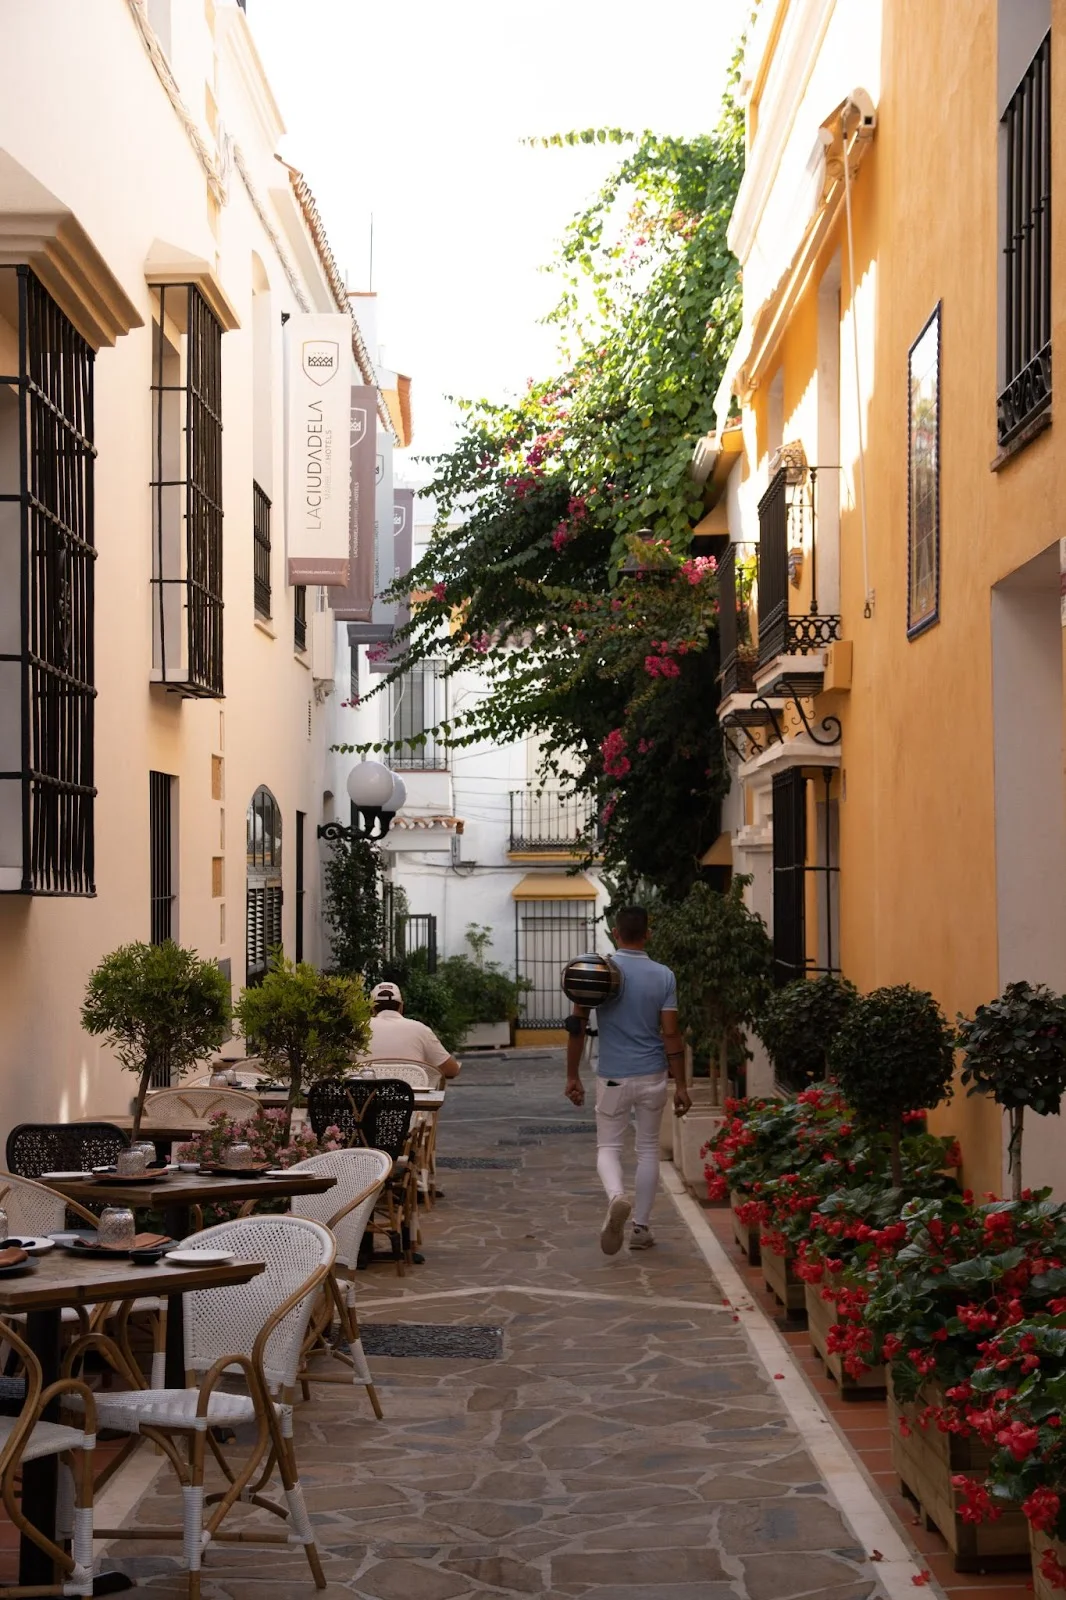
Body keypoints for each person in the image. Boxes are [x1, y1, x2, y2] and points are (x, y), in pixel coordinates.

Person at [564, 906, 689, 1254]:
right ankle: (641, 1229)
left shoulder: (597, 970)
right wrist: (680, 1084)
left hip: (613, 1076)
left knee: (608, 1148)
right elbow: (671, 1034)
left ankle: (618, 1197)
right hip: (653, 1074)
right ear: (647, 934)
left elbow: (576, 1028)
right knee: (648, 1149)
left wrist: (572, 1075)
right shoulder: (664, 976)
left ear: (615, 933)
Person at [366, 982, 462, 1080]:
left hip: (367, 1094)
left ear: (372, 1008)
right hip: (412, 1094)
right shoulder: (420, 1029)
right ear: (401, 1006)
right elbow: (452, 1070)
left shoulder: (358, 1030)